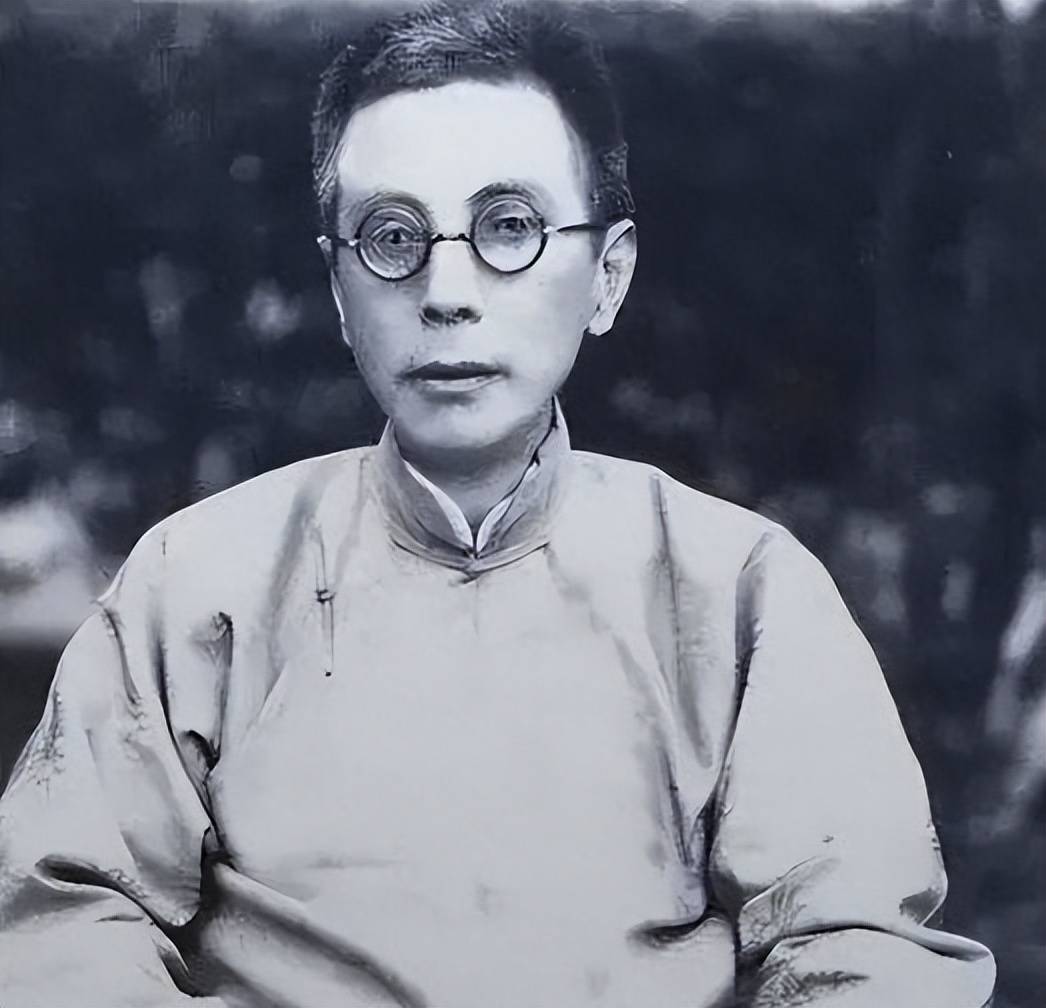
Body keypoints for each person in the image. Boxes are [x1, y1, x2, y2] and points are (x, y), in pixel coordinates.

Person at [0, 3, 996, 1006]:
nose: (445, 291)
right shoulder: (197, 582)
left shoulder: (737, 588)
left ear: (607, 276)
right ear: (339, 291)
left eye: (508, 227)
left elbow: (864, 952)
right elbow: (59, 921)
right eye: (392, 236)